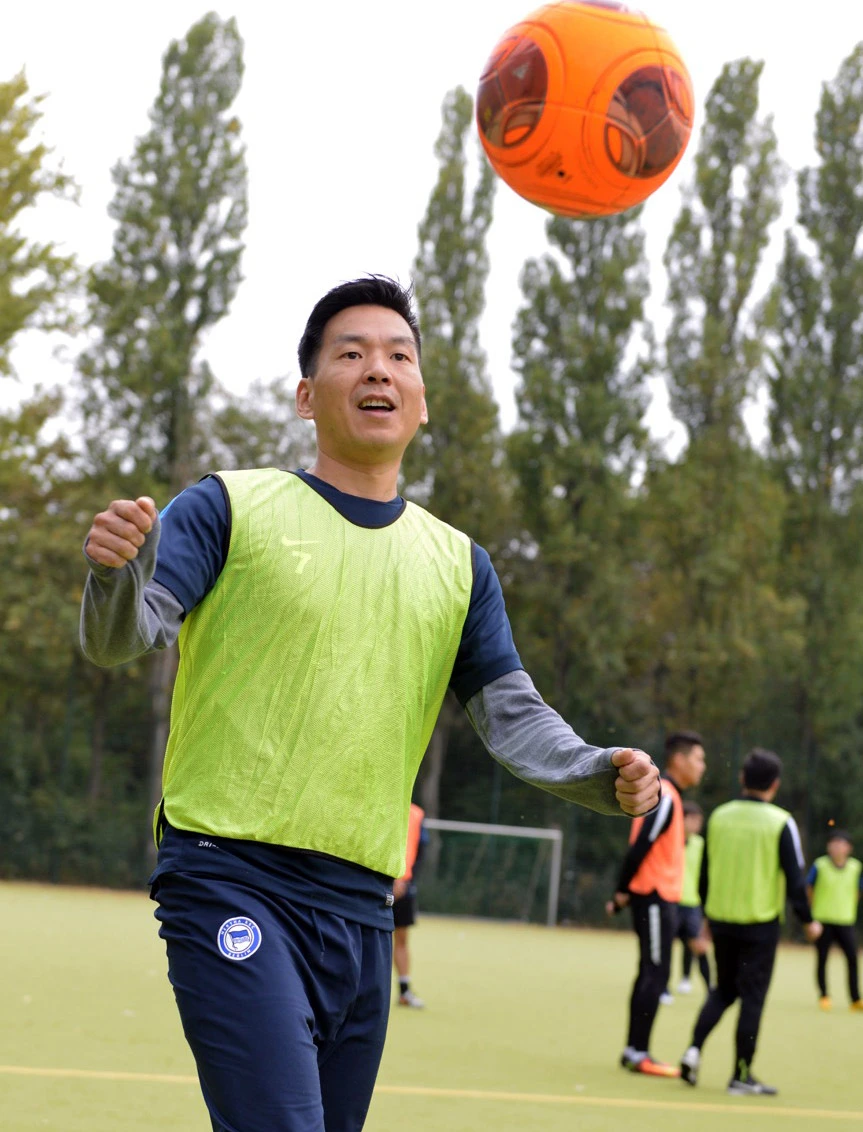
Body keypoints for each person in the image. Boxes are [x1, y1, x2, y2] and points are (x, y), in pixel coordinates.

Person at [79, 275, 661, 1132]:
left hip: (361, 912)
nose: (377, 369)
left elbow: (512, 716)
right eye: (350, 353)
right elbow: (123, 637)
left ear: (422, 401)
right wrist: (113, 578)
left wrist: (594, 770)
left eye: (398, 355)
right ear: (308, 396)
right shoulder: (227, 507)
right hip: (230, 879)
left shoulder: (458, 564)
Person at [679, 748, 822, 1097]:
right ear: (775, 784)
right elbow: (795, 878)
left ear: (742, 778)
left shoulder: (719, 817)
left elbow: (705, 874)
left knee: (723, 990)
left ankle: (692, 1050)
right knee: (752, 999)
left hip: (723, 921)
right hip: (759, 926)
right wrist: (807, 920)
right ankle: (741, 1075)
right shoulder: (780, 821)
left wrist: (706, 917)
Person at [606, 729, 707, 1077]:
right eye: (698, 758)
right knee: (655, 972)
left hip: (659, 897)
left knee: (652, 971)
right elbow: (643, 843)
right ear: (678, 760)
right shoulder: (666, 796)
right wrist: (621, 890)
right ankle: (637, 1052)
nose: (703, 766)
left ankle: (634, 1049)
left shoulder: (671, 797)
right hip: (652, 896)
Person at [806, 830, 863, 1012]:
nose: (837, 847)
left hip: (845, 921)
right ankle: (824, 995)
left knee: (852, 960)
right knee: (822, 959)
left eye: (841, 843)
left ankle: (855, 998)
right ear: (828, 846)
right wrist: (810, 914)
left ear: (849, 848)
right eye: (834, 843)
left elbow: (858, 891)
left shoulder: (856, 867)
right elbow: (809, 887)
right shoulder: (820, 865)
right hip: (822, 921)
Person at [673, 801, 712, 997]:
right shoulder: (670, 839)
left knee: (697, 944)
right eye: (694, 820)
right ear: (683, 819)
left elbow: (705, 876)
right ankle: (662, 988)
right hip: (671, 899)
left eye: (700, 821)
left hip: (692, 902)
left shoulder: (700, 843)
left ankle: (709, 989)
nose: (698, 824)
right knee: (664, 948)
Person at [393, 801, 426, 1008]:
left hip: (404, 886)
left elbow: (420, 850)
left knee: (402, 939)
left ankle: (404, 991)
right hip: (377, 883)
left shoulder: (417, 814)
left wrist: (406, 882)